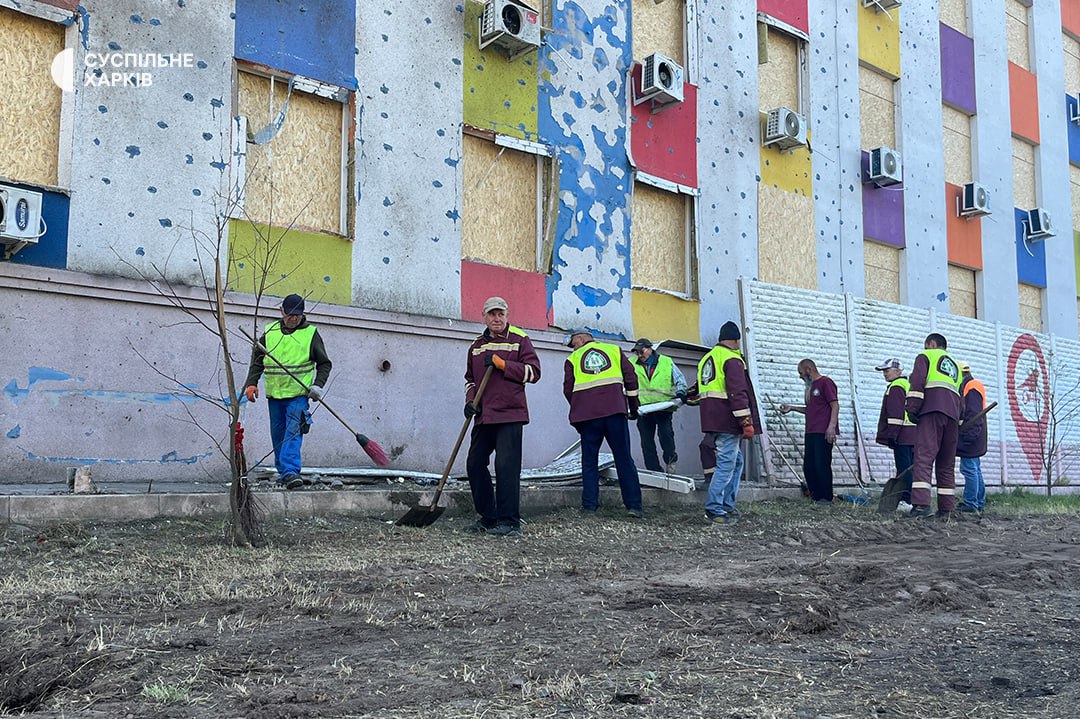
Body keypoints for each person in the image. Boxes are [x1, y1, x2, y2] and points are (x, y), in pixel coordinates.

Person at [463, 297, 541, 537]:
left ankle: (509, 521)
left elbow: (534, 373)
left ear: (507, 316)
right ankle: (489, 516)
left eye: (501, 314)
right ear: (484, 317)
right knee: (474, 464)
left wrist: (502, 364)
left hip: (510, 413)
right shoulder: (476, 345)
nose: (497, 318)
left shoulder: (519, 339)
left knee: (506, 467)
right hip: (484, 415)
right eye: (492, 314)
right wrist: (470, 402)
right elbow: (470, 380)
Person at [243, 294, 331, 490]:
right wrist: (252, 383)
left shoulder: (311, 334)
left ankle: (291, 471)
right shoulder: (270, 332)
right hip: (275, 395)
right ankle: (284, 472)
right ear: (281, 312)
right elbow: (257, 361)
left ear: (302, 315)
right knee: (278, 433)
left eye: (296, 316)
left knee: (293, 431)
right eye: (289, 315)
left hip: (299, 395)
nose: (292, 319)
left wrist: (317, 385)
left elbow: (324, 363)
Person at [563, 328, 644, 518]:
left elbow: (568, 389)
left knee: (589, 461)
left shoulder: (573, 360)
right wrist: (632, 407)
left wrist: (579, 408)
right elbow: (631, 379)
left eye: (573, 344)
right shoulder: (614, 350)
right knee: (623, 458)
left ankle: (590, 506)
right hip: (615, 412)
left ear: (581, 339)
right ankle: (634, 506)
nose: (573, 349)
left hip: (588, 418)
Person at [697, 321, 761, 525]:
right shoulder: (732, 359)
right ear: (736, 340)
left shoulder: (707, 359)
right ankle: (715, 509)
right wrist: (746, 422)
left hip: (712, 418)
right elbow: (737, 393)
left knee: (736, 461)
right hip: (728, 419)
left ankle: (726, 505)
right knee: (726, 463)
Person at [906, 333, 963, 517]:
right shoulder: (956, 367)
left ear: (931, 344)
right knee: (946, 463)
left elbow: (917, 383)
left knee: (924, 457)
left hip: (931, 412)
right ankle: (947, 508)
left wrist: (912, 409)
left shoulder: (925, 356)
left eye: (926, 345)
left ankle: (921, 506)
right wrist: (959, 420)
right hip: (952, 417)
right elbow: (961, 396)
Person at [780, 359, 839, 504]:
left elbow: (835, 405)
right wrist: (792, 408)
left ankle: (826, 497)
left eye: (800, 373)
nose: (800, 377)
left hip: (823, 431)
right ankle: (815, 495)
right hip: (811, 431)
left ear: (808, 370)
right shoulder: (810, 388)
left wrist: (831, 426)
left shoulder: (825, 382)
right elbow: (811, 410)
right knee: (809, 465)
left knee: (822, 464)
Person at [630, 338, 688, 474]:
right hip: (643, 409)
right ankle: (654, 470)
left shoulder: (666, 362)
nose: (639, 355)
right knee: (646, 441)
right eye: (636, 352)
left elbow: (680, 380)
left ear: (650, 349)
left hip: (663, 408)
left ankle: (671, 463)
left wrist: (680, 394)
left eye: (641, 351)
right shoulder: (630, 363)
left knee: (666, 436)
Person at [874, 358, 916, 505]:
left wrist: (893, 435)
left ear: (898, 371)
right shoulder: (908, 385)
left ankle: (906, 500)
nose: (884, 374)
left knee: (904, 469)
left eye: (887, 370)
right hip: (914, 434)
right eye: (883, 371)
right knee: (912, 469)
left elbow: (895, 413)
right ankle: (916, 499)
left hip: (902, 435)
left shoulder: (896, 386)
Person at [956, 361, 988, 513]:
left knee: (968, 468)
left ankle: (970, 503)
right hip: (976, 434)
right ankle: (979, 503)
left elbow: (974, 415)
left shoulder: (971, 387)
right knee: (974, 469)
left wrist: (967, 437)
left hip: (972, 435)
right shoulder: (973, 385)